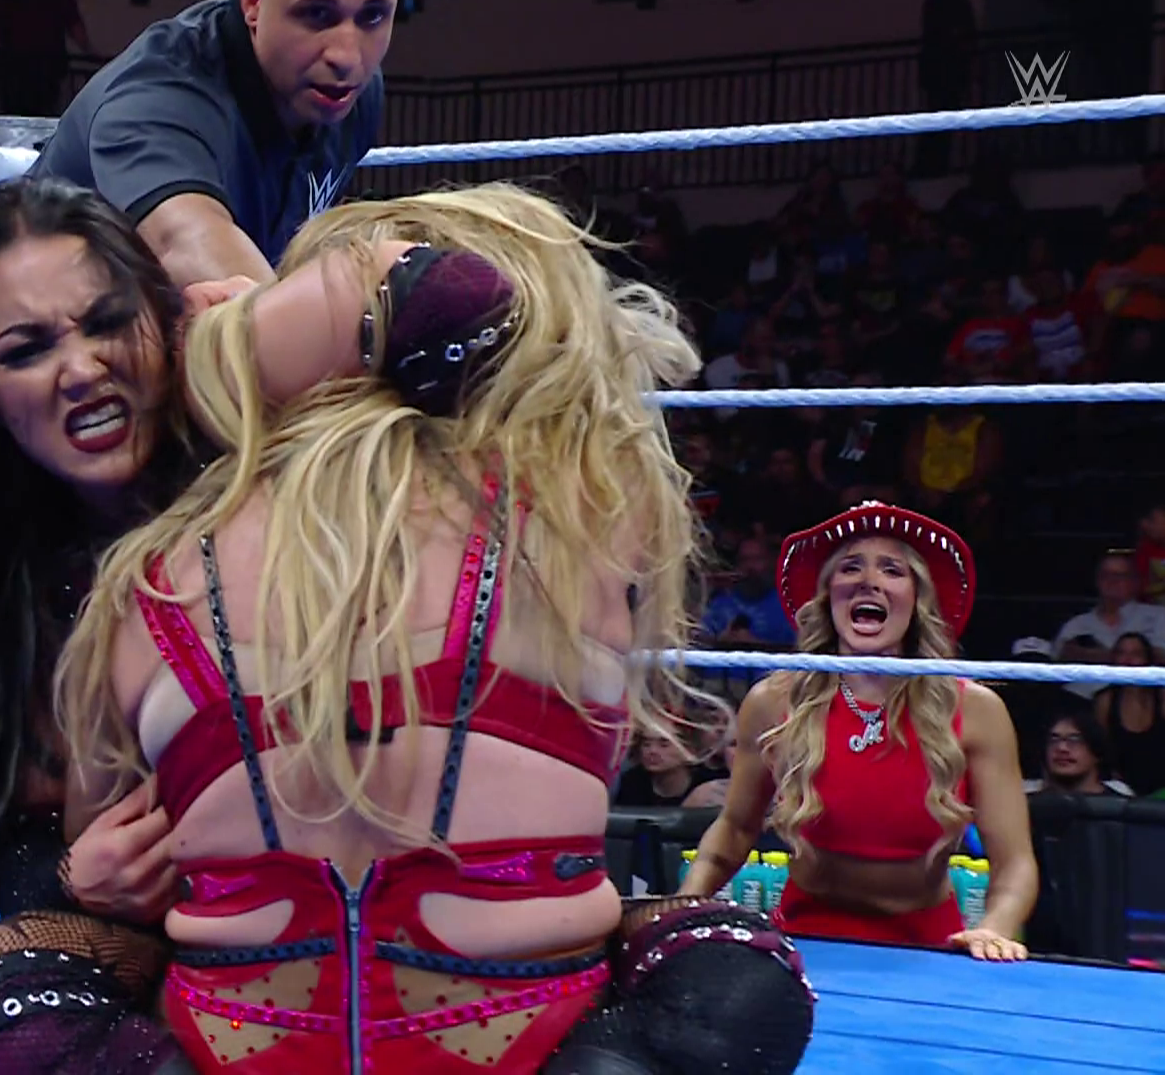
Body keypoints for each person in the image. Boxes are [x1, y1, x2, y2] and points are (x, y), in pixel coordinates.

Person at [55, 184, 815, 1074]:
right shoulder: (584, 513)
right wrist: (255, 329)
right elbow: (486, 308)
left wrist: (219, 347)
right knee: (730, 962)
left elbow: (106, 872)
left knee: (28, 969)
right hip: (514, 1042)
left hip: (236, 1042)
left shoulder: (150, 575)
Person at [0, 177, 550, 1073]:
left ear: (166, 320)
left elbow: (476, 309)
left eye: (108, 322)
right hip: (199, 949)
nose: (81, 369)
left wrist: (264, 332)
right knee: (18, 1009)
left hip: (420, 887)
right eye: (27, 349)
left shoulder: (274, 452)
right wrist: (70, 880)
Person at [682, 502, 1039, 960]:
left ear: (917, 599)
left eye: (892, 569)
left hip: (929, 947)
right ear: (828, 595)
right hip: (806, 941)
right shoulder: (773, 700)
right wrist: (682, 909)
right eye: (851, 567)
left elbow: (1015, 863)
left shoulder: (976, 710)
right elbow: (733, 830)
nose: (869, 580)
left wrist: (994, 930)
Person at [30, 0, 390, 289]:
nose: (347, 57)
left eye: (373, 15)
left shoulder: (351, 100)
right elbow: (186, 241)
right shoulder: (161, 95)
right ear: (253, 2)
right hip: (46, 331)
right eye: (317, 13)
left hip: (159, 331)